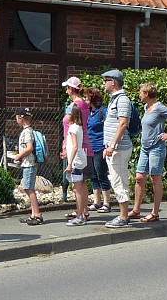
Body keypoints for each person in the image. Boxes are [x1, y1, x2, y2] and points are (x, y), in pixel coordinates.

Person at [129, 82, 167, 222]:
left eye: (141, 92)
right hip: (145, 148)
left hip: (156, 148)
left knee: (155, 178)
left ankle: (155, 213)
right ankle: (136, 210)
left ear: (146, 94)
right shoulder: (146, 107)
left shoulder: (159, 107)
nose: (139, 95)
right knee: (139, 178)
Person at [102, 69, 134, 228]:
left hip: (119, 149)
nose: (103, 84)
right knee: (117, 181)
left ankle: (123, 217)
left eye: (105, 81)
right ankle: (123, 216)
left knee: (119, 182)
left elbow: (123, 124)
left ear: (113, 82)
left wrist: (112, 145)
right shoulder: (114, 99)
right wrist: (107, 145)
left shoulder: (122, 100)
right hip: (113, 148)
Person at [61, 76, 95, 220]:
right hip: (85, 145)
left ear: (70, 89)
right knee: (82, 182)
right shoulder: (85, 104)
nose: (66, 90)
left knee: (77, 184)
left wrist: (64, 147)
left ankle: (80, 213)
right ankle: (83, 211)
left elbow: (68, 128)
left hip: (75, 146)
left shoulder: (73, 107)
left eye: (67, 88)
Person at [14, 107, 43, 225]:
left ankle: (37, 215)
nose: (16, 121)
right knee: (28, 188)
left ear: (21, 118)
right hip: (27, 163)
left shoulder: (27, 132)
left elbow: (29, 148)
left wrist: (19, 155)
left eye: (16, 118)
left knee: (29, 189)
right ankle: (33, 214)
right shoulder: (27, 131)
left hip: (29, 164)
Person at [85, 87, 112, 213]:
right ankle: (97, 201)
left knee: (102, 174)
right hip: (90, 148)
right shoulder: (88, 112)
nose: (85, 99)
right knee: (94, 175)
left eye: (87, 97)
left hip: (100, 147)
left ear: (92, 98)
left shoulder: (103, 111)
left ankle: (106, 202)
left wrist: (107, 146)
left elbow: (109, 127)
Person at [65, 102, 88, 226]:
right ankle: (82, 214)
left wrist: (69, 164)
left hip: (75, 161)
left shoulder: (73, 128)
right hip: (80, 159)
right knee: (78, 187)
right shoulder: (78, 127)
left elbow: (74, 146)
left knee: (76, 189)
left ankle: (79, 215)